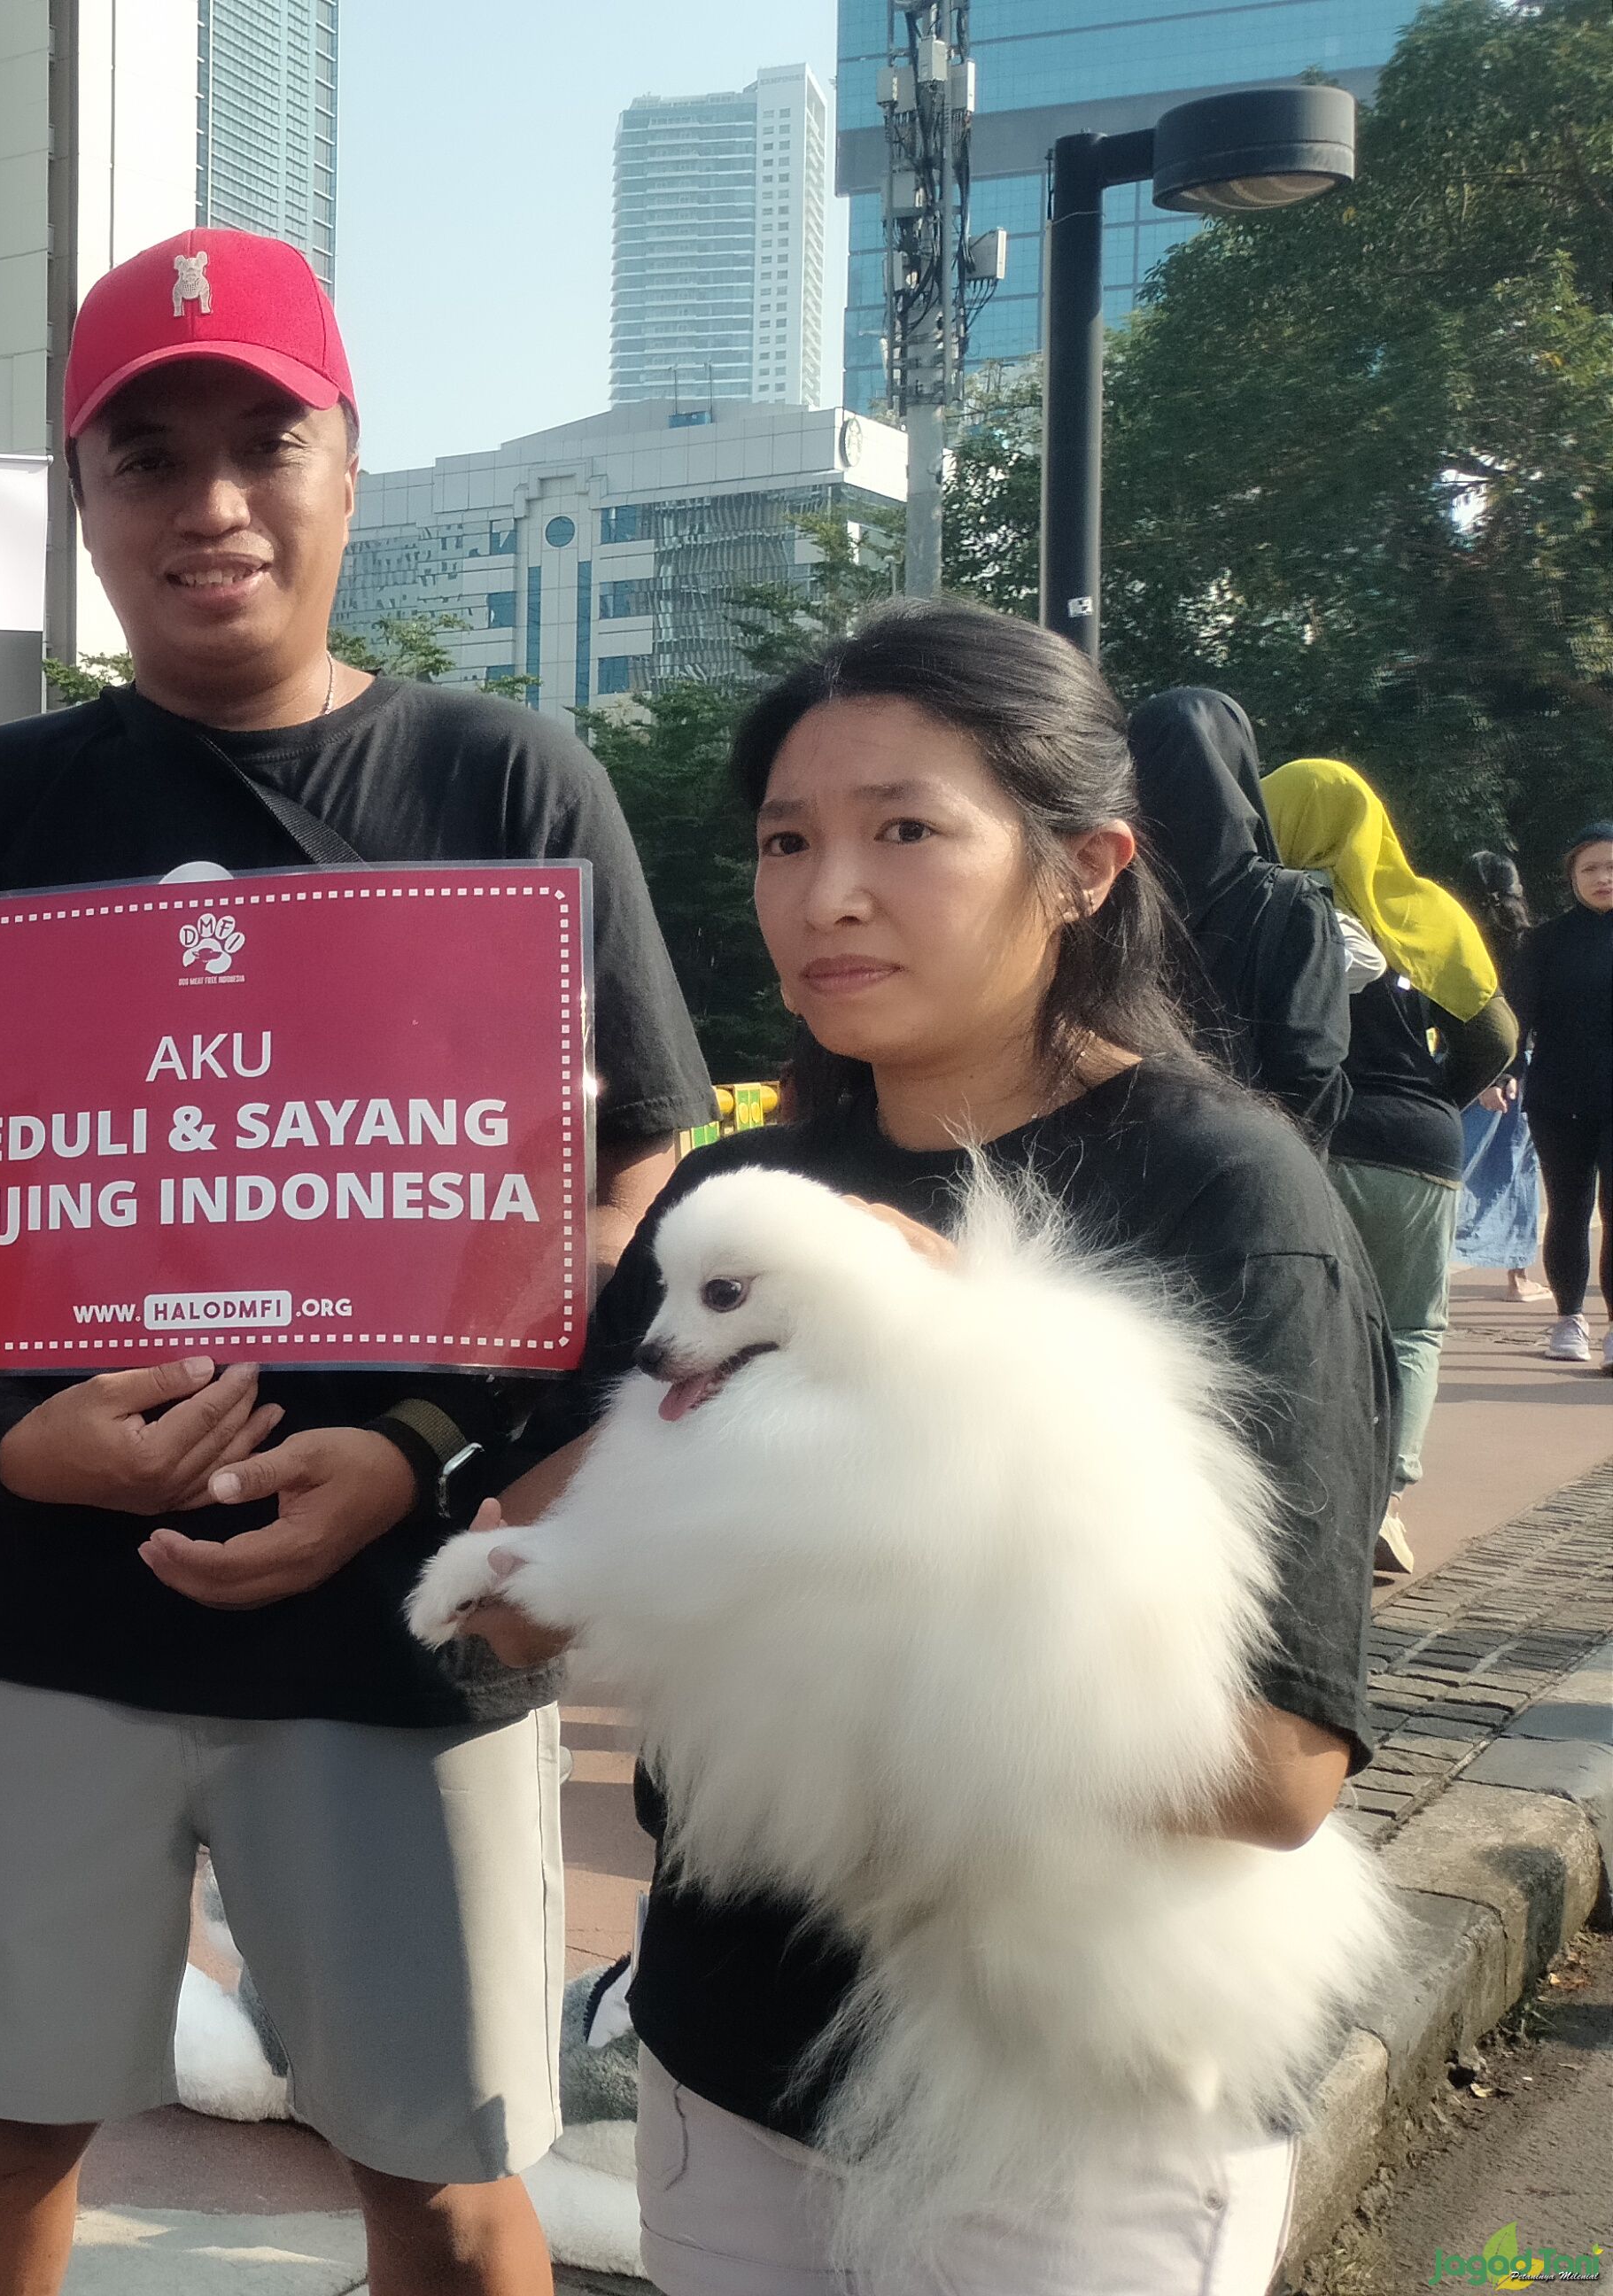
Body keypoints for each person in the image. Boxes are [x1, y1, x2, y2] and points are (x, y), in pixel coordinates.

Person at [0, 229, 712, 2296]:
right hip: (44, 1615)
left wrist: (422, 1447)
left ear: (347, 464)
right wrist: (5, 1431)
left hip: (392, 1628)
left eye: (264, 440)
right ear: (82, 498)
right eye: (147, 456)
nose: (210, 503)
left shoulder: (501, 780)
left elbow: (635, 1157)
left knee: (442, 2167)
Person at [456, 599, 1374, 2292]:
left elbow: (1271, 1771)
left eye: (904, 831)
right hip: (728, 2043)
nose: (827, 895)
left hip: (1060, 2084)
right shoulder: (756, 1198)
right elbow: (523, 1569)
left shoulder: (1217, 1197)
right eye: (784, 841)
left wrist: (963, 1406)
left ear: (1082, 864)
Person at [1263, 756, 1515, 1568]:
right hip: (1414, 1145)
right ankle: (1384, 1499)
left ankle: (1295, 1495)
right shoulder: (1425, 912)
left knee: (1304, 1322)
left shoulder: (1260, 906)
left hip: (1303, 1141)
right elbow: (1500, 1036)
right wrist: (1437, 1097)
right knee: (1410, 1327)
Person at [1126, 687, 1350, 1136]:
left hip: (1123, 1151)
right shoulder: (1290, 903)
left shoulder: (1105, 897)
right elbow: (1310, 1063)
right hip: (1248, 1157)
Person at [1519, 825, 1613, 1362]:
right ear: (1572, 879)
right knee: (1569, 1209)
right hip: (1560, 1097)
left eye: (1610, 867)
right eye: (1589, 869)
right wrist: (1503, 1071)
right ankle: (1568, 1319)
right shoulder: (1545, 941)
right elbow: (1519, 1016)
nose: (1602, 878)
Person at [1455, 850, 1546, 1305]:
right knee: (1515, 1168)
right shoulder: (1531, 944)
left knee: (1458, 1165)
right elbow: (1525, 1015)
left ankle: (1435, 1265)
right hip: (1516, 1068)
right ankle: (1517, 1278)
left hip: (1463, 1064)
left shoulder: (1454, 938)